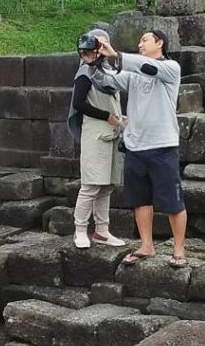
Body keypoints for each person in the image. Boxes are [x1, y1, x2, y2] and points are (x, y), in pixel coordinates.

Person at [97, 29, 187, 267]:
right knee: (140, 199)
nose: (140, 44)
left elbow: (147, 67)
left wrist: (115, 55)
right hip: (136, 145)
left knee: (173, 201)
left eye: (145, 40)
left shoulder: (170, 69)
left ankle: (179, 249)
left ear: (160, 43)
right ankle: (146, 245)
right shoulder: (133, 74)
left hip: (162, 145)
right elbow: (107, 80)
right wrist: (94, 60)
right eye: (138, 41)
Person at [66, 30, 127, 249]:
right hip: (96, 133)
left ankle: (102, 230)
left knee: (107, 186)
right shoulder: (85, 73)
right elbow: (80, 104)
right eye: (84, 53)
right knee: (90, 186)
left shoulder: (107, 71)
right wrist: (107, 117)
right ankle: (80, 230)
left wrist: (119, 118)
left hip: (111, 132)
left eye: (91, 52)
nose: (88, 56)